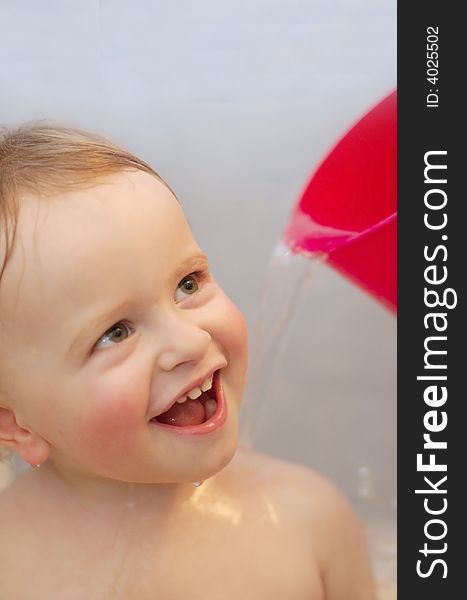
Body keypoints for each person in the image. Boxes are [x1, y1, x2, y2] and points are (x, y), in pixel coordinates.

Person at [0, 123, 375, 599]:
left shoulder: (307, 520)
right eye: (115, 333)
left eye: (188, 284)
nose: (191, 342)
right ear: (16, 425)